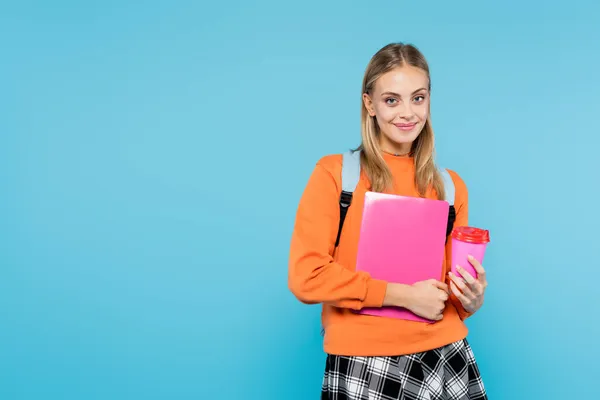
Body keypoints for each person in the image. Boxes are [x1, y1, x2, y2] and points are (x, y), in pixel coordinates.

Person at [287, 42, 489, 400]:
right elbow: (306, 277)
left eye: (418, 98)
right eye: (391, 100)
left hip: (446, 354)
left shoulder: (449, 186)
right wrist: (404, 296)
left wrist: (469, 300)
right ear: (369, 104)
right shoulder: (337, 174)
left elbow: (447, 295)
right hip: (366, 361)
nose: (407, 113)